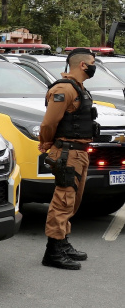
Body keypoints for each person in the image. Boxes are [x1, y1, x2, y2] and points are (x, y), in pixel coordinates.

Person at [38, 47, 97, 270]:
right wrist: (46, 143)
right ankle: (53, 251)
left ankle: (62, 241)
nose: (93, 67)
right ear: (83, 65)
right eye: (92, 63)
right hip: (68, 153)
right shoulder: (64, 89)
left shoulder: (79, 88)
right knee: (63, 201)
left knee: (72, 201)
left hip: (78, 153)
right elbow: (49, 123)